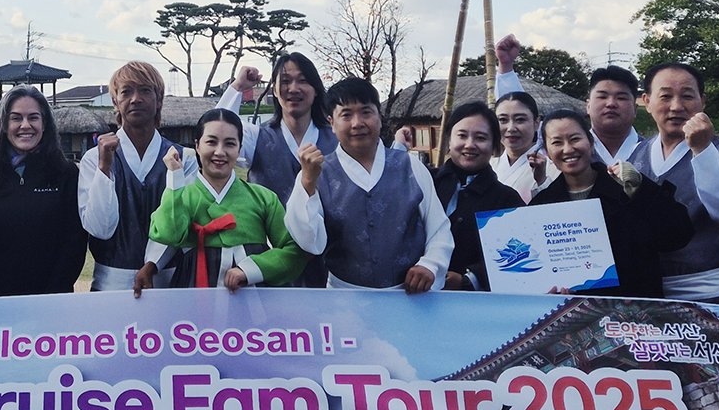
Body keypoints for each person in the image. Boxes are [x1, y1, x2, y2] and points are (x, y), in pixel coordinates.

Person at [285, 78, 452, 293]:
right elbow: (309, 241)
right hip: (345, 298)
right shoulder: (316, 173)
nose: (357, 123)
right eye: (346, 115)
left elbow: (438, 227)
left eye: (366, 112)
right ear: (331, 123)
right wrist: (308, 181)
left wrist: (430, 265)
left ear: (379, 118)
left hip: (409, 295)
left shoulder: (410, 166)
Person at [527, 109, 692, 297]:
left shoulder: (626, 188)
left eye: (575, 139)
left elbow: (678, 236)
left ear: (590, 143)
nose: (568, 149)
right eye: (557, 142)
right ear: (547, 152)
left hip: (634, 306)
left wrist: (640, 188)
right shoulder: (541, 206)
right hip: (572, 310)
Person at [631, 63, 719, 306]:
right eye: (665, 96)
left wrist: (702, 150)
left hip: (706, 294)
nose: (677, 106)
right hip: (646, 293)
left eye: (687, 96)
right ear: (646, 101)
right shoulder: (634, 156)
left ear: (702, 102)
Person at [144, 108, 304, 291]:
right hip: (193, 297)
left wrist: (250, 270)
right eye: (211, 142)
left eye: (229, 144)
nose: (220, 152)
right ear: (197, 146)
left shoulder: (263, 198)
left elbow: (293, 250)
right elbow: (169, 234)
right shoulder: (182, 195)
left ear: (239, 148)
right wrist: (174, 177)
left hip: (254, 299)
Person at [218, 52, 338, 285]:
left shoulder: (336, 138)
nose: (293, 88)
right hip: (270, 260)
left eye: (302, 80)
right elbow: (219, 129)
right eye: (285, 81)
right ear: (273, 89)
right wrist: (238, 86)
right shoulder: (256, 137)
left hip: (328, 261)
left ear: (316, 90)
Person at [0, 87, 88, 297]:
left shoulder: (65, 173)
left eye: (33, 117)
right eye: (16, 118)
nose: (25, 125)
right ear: (4, 125)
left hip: (50, 300)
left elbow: (74, 243)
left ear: (44, 124)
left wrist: (52, 295)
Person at [77, 61, 192, 293]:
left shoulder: (184, 158)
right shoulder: (93, 159)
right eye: (126, 92)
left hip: (170, 282)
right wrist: (104, 168)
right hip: (110, 285)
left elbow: (183, 221)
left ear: (159, 100)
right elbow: (100, 229)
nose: (135, 99)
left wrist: (152, 265)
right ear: (115, 102)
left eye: (145, 91)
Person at [429, 101, 529, 292]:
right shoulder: (425, 183)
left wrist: (469, 279)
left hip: (477, 301)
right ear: (449, 140)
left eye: (481, 138)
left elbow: (518, 253)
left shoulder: (507, 199)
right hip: (416, 294)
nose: (470, 145)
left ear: (494, 146)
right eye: (462, 135)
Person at [586, 66, 644, 166]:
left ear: (635, 109)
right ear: (588, 106)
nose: (611, 104)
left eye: (621, 98)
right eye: (602, 97)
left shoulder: (651, 153)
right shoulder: (574, 153)